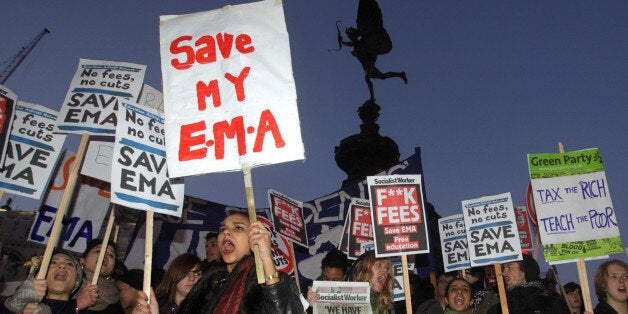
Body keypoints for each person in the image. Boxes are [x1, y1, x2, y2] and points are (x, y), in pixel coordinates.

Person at [168, 212, 302, 313]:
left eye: (238, 228)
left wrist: (266, 258)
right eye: (222, 229)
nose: (226, 232)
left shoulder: (275, 281)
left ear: (254, 237)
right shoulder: (208, 283)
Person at [3, 251, 95, 314]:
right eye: (53, 263)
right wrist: (16, 305)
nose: (62, 266)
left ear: (77, 281)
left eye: (69, 264)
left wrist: (74, 306)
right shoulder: (12, 304)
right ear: (39, 274)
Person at [487, 252, 569, 314]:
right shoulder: (497, 310)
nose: (504, 273)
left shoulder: (551, 305)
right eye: (503, 268)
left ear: (525, 271)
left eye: (509, 267)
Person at [78, 239, 124, 313]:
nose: (104, 256)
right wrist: (76, 305)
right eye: (98, 251)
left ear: (113, 268)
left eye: (110, 255)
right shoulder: (67, 285)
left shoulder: (116, 299)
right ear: (83, 260)